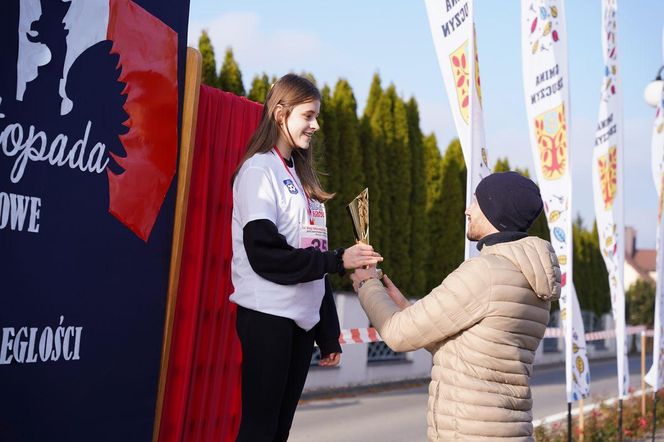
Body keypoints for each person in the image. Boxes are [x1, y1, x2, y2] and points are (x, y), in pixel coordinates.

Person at [352, 171, 561, 441]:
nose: (467, 210)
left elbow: (397, 334)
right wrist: (404, 306)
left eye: (475, 202)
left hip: (471, 432)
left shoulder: (485, 272)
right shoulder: (529, 277)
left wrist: (367, 284)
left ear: (494, 210)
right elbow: (465, 349)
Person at [230, 73, 382, 442]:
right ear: (280, 113)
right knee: (259, 429)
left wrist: (327, 331)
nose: (315, 125)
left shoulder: (303, 180)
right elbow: (265, 255)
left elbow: (313, 261)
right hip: (267, 315)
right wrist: (337, 259)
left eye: (316, 116)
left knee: (279, 429)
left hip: (300, 321)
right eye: (308, 115)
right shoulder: (258, 171)